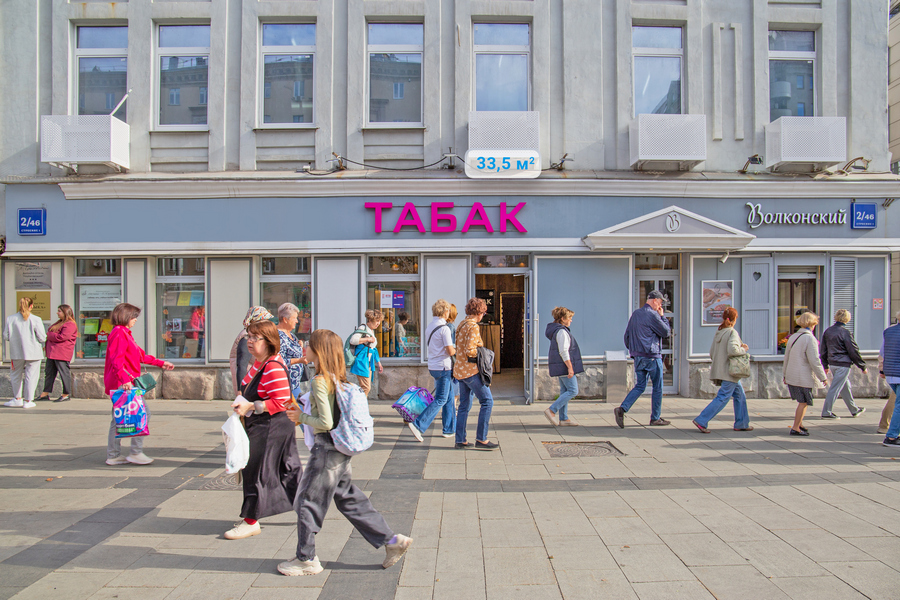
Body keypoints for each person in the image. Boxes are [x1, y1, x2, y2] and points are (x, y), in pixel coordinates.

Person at [279, 329, 412, 576]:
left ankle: (306, 559)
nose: (305, 348)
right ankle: (392, 541)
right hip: (340, 449)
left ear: (318, 351)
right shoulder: (338, 379)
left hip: (326, 450)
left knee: (307, 501)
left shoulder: (320, 381)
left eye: (309, 345)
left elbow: (325, 422)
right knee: (348, 498)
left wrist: (300, 417)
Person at [229, 320, 303, 540]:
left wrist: (251, 406)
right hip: (271, 424)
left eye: (255, 338)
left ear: (269, 341)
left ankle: (250, 521)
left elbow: (281, 401)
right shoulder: (261, 363)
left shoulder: (272, 366)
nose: (250, 341)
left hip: (271, 425)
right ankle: (308, 507)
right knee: (287, 468)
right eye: (249, 337)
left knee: (255, 470)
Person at [104, 303, 175, 465]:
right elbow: (116, 360)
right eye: (134, 316)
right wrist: (125, 380)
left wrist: (160, 363)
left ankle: (114, 455)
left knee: (118, 418)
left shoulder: (123, 333)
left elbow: (140, 356)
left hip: (123, 381)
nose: (135, 320)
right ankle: (135, 452)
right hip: (124, 383)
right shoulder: (120, 333)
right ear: (125, 316)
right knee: (143, 414)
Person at [615, 290, 671, 428]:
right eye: (660, 302)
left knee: (640, 386)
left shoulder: (636, 314)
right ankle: (655, 418)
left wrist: (634, 351)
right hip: (651, 356)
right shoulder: (653, 315)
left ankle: (622, 409)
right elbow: (666, 332)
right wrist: (662, 317)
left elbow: (627, 336)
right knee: (657, 387)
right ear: (654, 300)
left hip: (638, 356)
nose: (661, 305)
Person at [692, 307, 752, 433]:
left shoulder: (719, 332)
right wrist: (744, 349)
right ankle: (702, 420)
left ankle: (742, 423)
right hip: (730, 372)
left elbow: (712, 352)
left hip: (722, 370)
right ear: (734, 319)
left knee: (740, 395)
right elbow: (733, 350)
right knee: (723, 397)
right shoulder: (732, 332)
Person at [407, 300, 457, 442]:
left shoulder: (430, 326)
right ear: (444, 311)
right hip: (443, 367)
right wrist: (456, 349)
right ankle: (418, 424)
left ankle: (449, 429)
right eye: (448, 310)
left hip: (434, 366)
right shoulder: (444, 328)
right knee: (441, 398)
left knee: (449, 398)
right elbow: (450, 351)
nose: (449, 313)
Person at [453, 297, 498, 450]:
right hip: (471, 371)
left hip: (460, 370)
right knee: (487, 401)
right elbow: (470, 351)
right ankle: (481, 438)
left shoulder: (462, 324)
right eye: (483, 313)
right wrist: (481, 352)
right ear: (479, 312)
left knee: (464, 405)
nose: (482, 316)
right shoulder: (473, 326)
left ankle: (460, 440)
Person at [783, 311, 827, 436]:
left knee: (802, 401)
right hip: (803, 376)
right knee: (803, 402)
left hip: (792, 374)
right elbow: (814, 360)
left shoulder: (793, 337)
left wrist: (785, 374)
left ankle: (800, 423)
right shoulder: (809, 338)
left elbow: (786, 357)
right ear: (812, 324)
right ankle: (796, 427)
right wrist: (823, 377)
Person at [819, 309, 867, 419]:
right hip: (843, 364)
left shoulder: (828, 331)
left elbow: (823, 350)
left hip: (833, 363)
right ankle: (826, 412)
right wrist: (862, 366)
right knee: (835, 388)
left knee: (845, 386)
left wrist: (825, 364)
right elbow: (853, 350)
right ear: (847, 319)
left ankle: (854, 409)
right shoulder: (845, 332)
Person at [3, 297, 47, 408]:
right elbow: (42, 337)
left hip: (16, 352)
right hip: (34, 352)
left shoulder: (11, 319)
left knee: (15, 375)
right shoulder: (36, 319)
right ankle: (28, 400)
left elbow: (5, 336)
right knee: (31, 376)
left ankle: (17, 398)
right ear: (31, 306)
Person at [543, 306, 584, 427]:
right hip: (564, 366)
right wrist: (570, 367)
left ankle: (564, 418)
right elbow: (564, 351)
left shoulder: (558, 331)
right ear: (562, 318)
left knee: (565, 391)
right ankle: (552, 410)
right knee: (573, 390)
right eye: (569, 318)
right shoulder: (562, 332)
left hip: (560, 366)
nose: (571, 320)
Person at [230, 306, 274, 397]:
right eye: (265, 320)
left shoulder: (253, 336)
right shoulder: (246, 337)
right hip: (249, 384)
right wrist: (240, 390)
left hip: (252, 383)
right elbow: (242, 364)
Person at [37, 304, 77, 403]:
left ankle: (66, 394)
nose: (57, 313)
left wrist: (49, 335)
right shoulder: (60, 322)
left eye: (59, 311)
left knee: (64, 373)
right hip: (52, 352)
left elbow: (62, 337)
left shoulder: (70, 324)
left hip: (61, 353)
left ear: (65, 312)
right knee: (49, 373)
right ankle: (45, 393)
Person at [277, 303, 310, 398]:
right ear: (285, 319)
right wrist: (299, 360)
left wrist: (299, 346)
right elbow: (278, 362)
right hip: (285, 385)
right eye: (294, 318)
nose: (297, 321)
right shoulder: (278, 336)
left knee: (298, 406)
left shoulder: (291, 334)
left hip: (295, 384)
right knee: (294, 407)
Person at [349, 309, 384, 397]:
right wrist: (367, 339)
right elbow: (353, 340)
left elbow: (373, 349)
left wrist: (378, 362)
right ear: (370, 320)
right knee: (366, 387)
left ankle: (359, 402)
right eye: (377, 321)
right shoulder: (363, 328)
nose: (378, 323)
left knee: (365, 387)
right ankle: (358, 403)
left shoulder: (371, 330)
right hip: (361, 360)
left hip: (368, 362)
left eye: (379, 321)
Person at [879, 313, 900, 447]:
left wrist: (882, 369)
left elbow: (883, 353)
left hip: (891, 373)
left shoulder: (889, 331)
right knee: (898, 406)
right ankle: (891, 437)